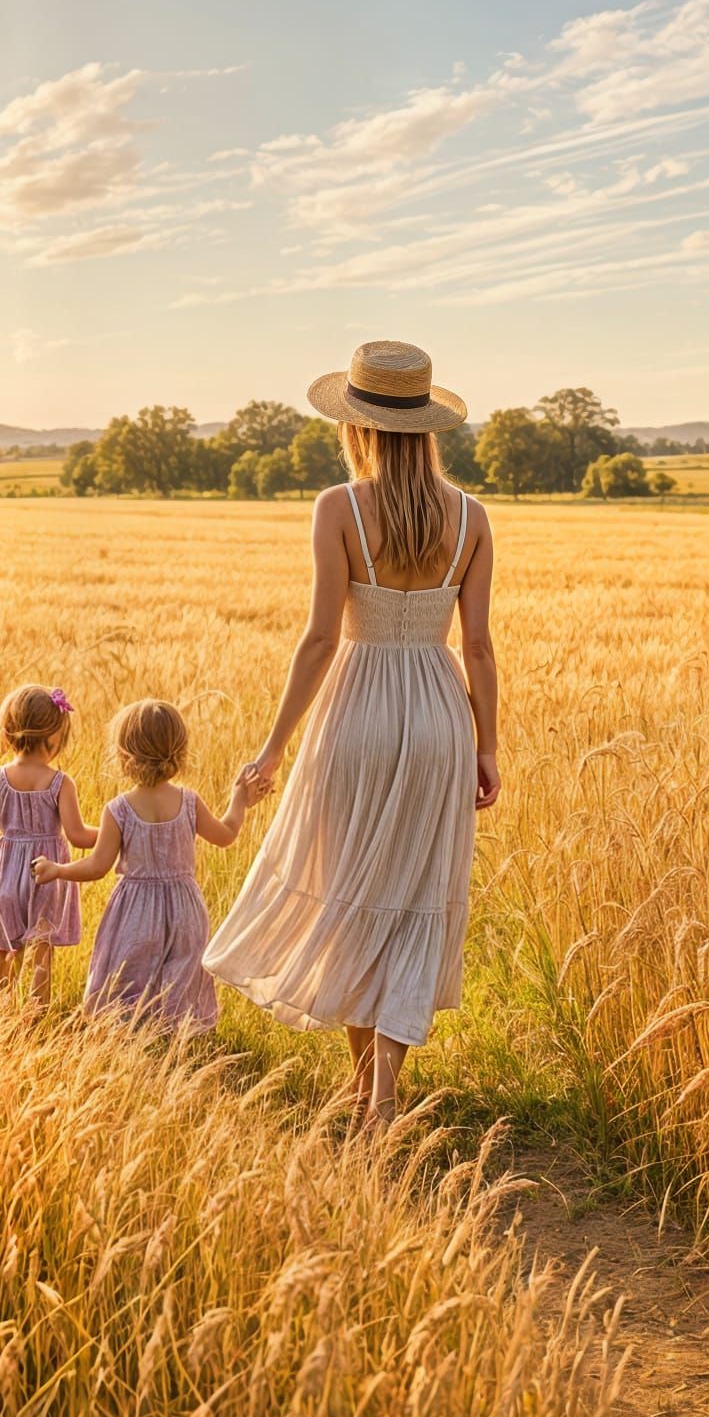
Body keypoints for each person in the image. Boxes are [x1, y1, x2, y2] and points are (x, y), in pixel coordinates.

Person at [203, 340, 501, 1125]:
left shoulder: (337, 508)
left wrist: (271, 750)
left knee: (350, 892)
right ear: (428, 427)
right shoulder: (471, 516)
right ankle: (381, 1093)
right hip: (440, 716)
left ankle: (366, 1084)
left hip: (356, 709)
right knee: (408, 898)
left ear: (358, 425)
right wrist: (489, 745)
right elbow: (476, 647)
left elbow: (319, 641)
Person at [31, 699, 267, 1034]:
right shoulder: (189, 802)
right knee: (179, 976)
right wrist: (239, 800)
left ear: (125, 756)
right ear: (179, 751)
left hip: (135, 912)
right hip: (185, 909)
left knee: (128, 978)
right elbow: (226, 834)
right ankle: (175, 1039)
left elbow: (98, 866)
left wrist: (57, 870)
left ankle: (130, 1038)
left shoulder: (119, 810)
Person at [0, 684, 96, 1005]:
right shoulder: (61, 783)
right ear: (55, 736)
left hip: (4, 873)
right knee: (40, 950)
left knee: (5, 947)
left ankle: (1, 1008)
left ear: (10, 730)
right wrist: (115, 833)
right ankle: (36, 1014)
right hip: (46, 876)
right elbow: (78, 835)